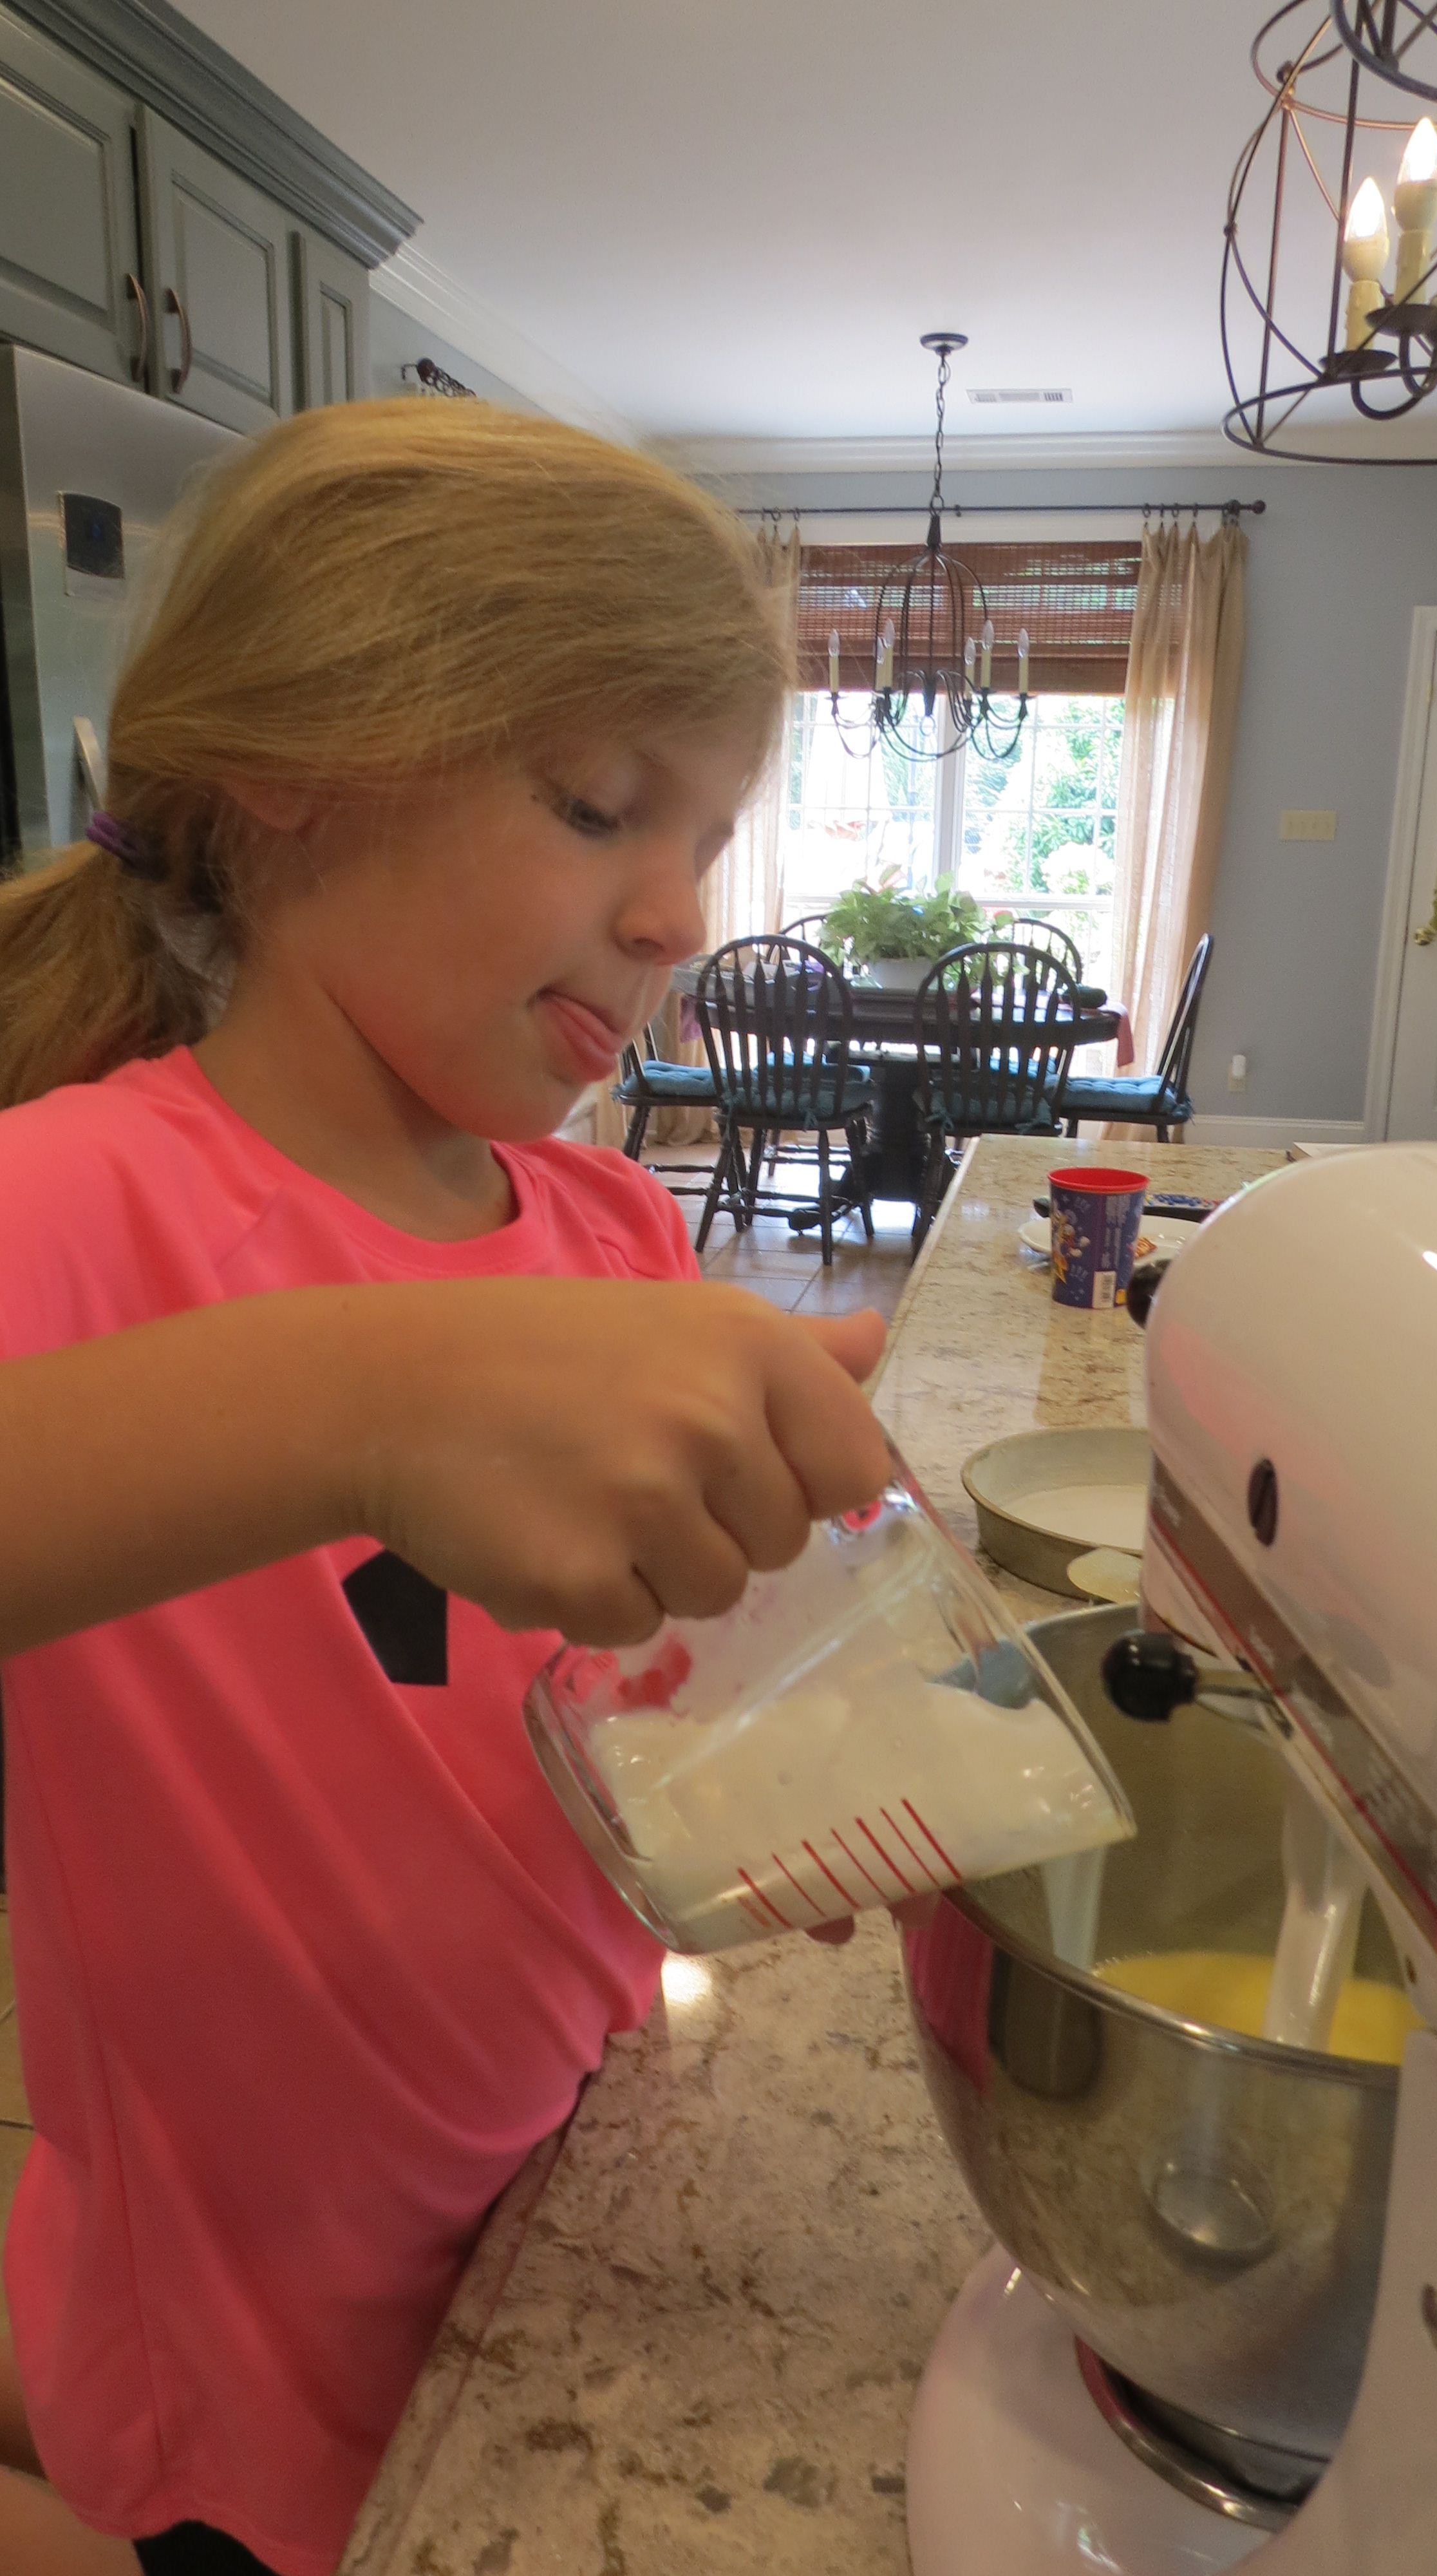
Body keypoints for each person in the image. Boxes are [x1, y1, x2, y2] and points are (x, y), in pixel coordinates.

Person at [0, 401, 892, 2576]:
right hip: (247, 2359)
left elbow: (625, 1697)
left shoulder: (611, 1243)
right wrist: (368, 1398)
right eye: (600, 805)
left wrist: (799, 1760)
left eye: (709, 834)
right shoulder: (70, 1206)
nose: (679, 909)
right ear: (302, 768)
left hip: (562, 2224)